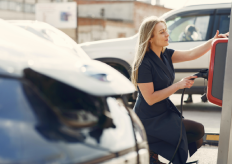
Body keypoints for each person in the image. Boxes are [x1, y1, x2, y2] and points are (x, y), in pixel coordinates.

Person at [131, 16, 229, 164]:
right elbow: (150, 98)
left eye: (166, 31)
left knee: (197, 136)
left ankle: (152, 152)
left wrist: (213, 41)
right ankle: (151, 149)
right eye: (162, 32)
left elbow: (191, 54)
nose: (167, 34)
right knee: (196, 131)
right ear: (150, 38)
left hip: (164, 113)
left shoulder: (166, 54)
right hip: (148, 119)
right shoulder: (144, 63)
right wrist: (178, 85)